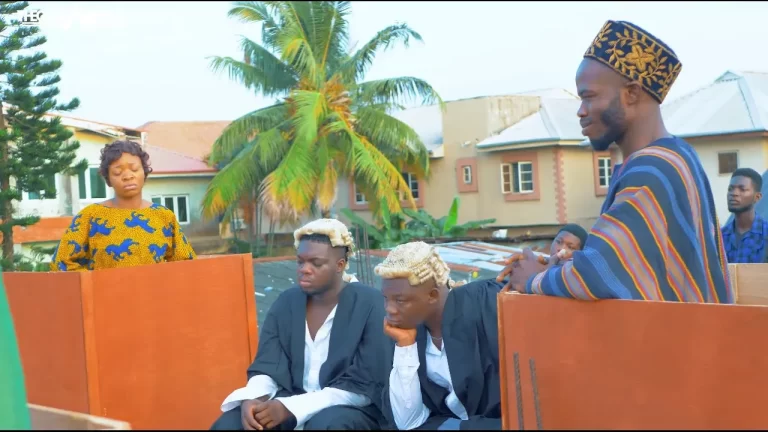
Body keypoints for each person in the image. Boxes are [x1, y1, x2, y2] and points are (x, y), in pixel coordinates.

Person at [498, 20, 733, 303]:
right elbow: (634, 265)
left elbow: (599, 276)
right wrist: (562, 264)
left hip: (678, 332)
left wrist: (533, 278)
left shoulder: (651, 170)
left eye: (589, 97)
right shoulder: (679, 155)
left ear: (631, 93)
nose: (581, 111)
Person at [210, 219, 390, 431]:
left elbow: (365, 387)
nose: (305, 269)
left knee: (328, 424)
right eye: (300, 262)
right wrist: (255, 397)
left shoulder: (371, 305)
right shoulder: (286, 303)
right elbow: (268, 364)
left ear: (339, 265)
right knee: (231, 424)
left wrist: (291, 407)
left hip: (348, 410)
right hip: (287, 400)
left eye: (316, 263)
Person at [377, 241, 503, 430]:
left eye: (400, 300)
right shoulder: (407, 329)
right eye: (386, 298)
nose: (389, 309)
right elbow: (407, 422)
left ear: (433, 295)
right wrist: (406, 346)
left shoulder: (485, 304)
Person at [50, 140, 196, 271]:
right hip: (105, 293)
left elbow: (186, 264)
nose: (128, 176)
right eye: (117, 172)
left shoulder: (164, 216)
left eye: (134, 169)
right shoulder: (90, 216)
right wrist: (96, 283)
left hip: (152, 293)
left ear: (144, 172)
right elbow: (62, 262)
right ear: (108, 179)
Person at [722, 168, 768, 263]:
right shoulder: (719, 237)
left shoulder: (765, 234)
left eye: (742, 189)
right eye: (730, 189)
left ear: (757, 197)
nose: (734, 193)